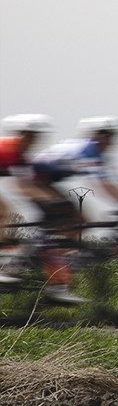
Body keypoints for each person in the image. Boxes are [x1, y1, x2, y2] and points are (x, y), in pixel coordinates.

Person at [26, 116, 118, 303]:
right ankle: (46, 264)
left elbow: (114, 183)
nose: (112, 142)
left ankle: (55, 264)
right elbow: (104, 184)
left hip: (43, 181)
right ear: (98, 136)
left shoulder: (96, 154)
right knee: (75, 220)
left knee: (81, 220)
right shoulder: (87, 149)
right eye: (109, 137)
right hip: (31, 181)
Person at [0, 114, 56, 285]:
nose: (33, 141)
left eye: (36, 137)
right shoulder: (8, 149)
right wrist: (51, 201)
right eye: (30, 137)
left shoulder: (20, 156)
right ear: (21, 135)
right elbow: (20, 186)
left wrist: (49, 199)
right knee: (5, 212)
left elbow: (30, 183)